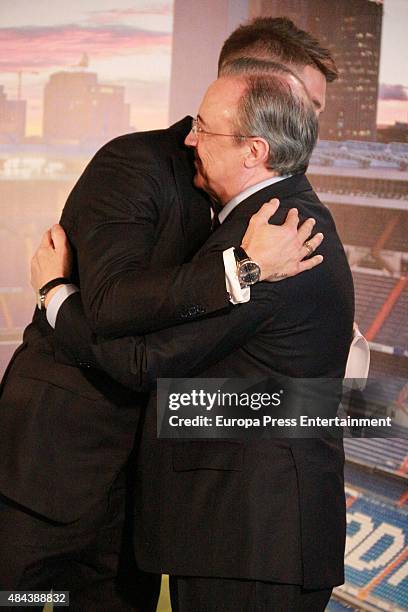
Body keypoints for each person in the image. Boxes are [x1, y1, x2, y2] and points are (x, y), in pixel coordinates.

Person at [0, 18, 328, 610]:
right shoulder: (135, 163)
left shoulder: (274, 217)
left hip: (149, 492)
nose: (305, 131)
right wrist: (240, 271)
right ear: (245, 90)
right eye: (298, 106)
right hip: (59, 463)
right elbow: (108, 305)